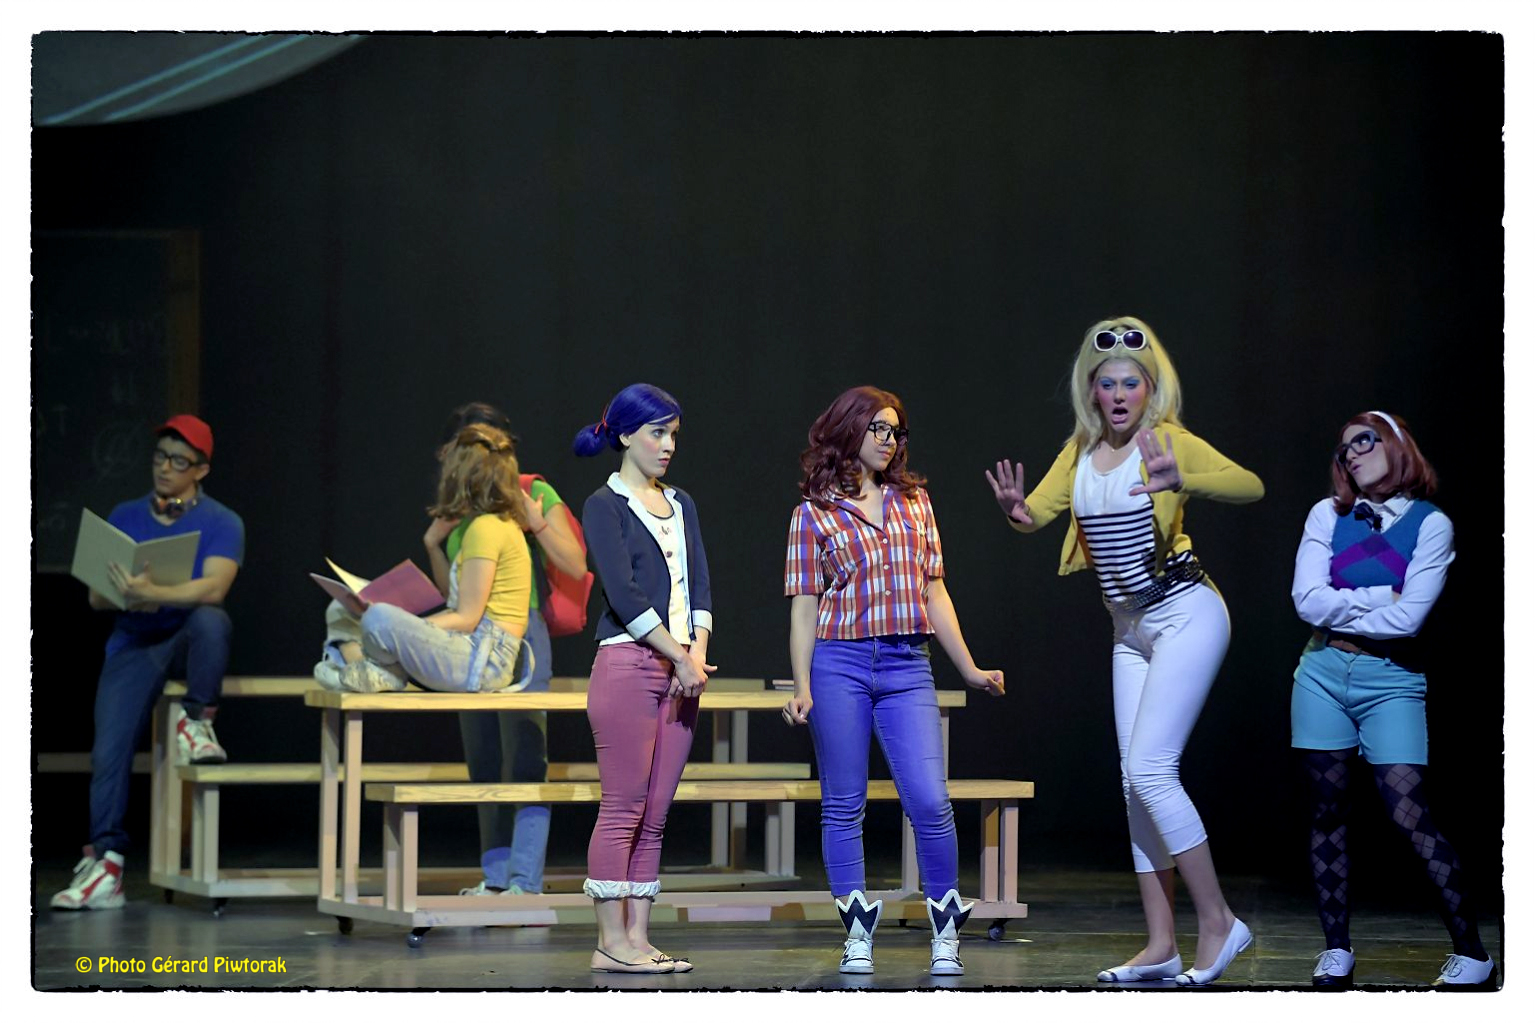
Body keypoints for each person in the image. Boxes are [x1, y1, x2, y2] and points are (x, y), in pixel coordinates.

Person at [986, 317, 1263, 986]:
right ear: (1091, 390)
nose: (1117, 395)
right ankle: (1161, 944)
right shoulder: (1079, 451)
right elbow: (1037, 513)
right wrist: (1016, 511)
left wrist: (1181, 478)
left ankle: (1220, 922)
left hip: (1186, 612)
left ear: (1149, 389)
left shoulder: (1167, 442)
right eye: (1106, 383)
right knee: (1131, 781)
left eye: (1129, 383)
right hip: (1129, 628)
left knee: (1151, 770)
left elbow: (1249, 485)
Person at [313, 403, 586, 898]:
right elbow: (454, 597)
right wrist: (434, 545)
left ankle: (523, 882)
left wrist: (537, 522)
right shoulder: (468, 517)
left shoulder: (530, 494)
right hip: (469, 635)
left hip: (518, 634)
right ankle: (496, 878)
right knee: (483, 760)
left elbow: (576, 565)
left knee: (526, 759)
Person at [782, 385, 1005, 976]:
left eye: (895, 431)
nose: (888, 440)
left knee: (930, 800)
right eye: (877, 428)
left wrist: (969, 667)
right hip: (839, 663)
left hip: (908, 664)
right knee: (843, 803)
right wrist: (801, 684)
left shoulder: (915, 502)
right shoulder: (814, 512)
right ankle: (857, 933)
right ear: (849, 429)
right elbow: (804, 605)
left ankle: (944, 932)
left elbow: (934, 591)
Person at [1290, 411, 1495, 988]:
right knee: (1327, 813)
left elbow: (1410, 621)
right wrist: (1384, 595)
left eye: (1365, 440)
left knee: (1409, 814)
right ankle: (1336, 949)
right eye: (1344, 448)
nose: (1352, 453)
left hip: (1393, 679)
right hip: (1321, 671)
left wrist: (1346, 601)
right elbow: (1306, 602)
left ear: (1398, 444)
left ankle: (1474, 953)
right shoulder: (1326, 515)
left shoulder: (1432, 525)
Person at [51, 415, 244, 911]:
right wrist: (130, 594)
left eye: (179, 461)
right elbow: (96, 597)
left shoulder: (222, 521)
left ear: (200, 470)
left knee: (212, 620)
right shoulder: (126, 514)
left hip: (186, 633)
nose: (165, 468)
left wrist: (156, 592)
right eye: (161, 457)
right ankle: (106, 865)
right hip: (135, 639)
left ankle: (197, 722)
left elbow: (215, 587)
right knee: (108, 752)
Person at [574, 383, 713, 974]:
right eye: (657, 433)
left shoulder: (682, 504)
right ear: (627, 435)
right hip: (629, 665)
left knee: (656, 810)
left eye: (673, 434)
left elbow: (699, 585)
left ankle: (638, 938)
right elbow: (624, 594)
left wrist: (695, 653)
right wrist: (677, 656)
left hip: (682, 669)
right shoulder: (603, 505)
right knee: (624, 806)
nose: (668, 445)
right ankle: (611, 941)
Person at [334, 422, 531, 694]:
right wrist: (408, 630)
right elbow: (462, 608)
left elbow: (466, 618)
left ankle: (377, 668)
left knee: (378, 618)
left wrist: (409, 629)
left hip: (482, 661)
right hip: (475, 653)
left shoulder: (487, 528)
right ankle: (376, 668)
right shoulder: (490, 526)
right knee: (344, 612)